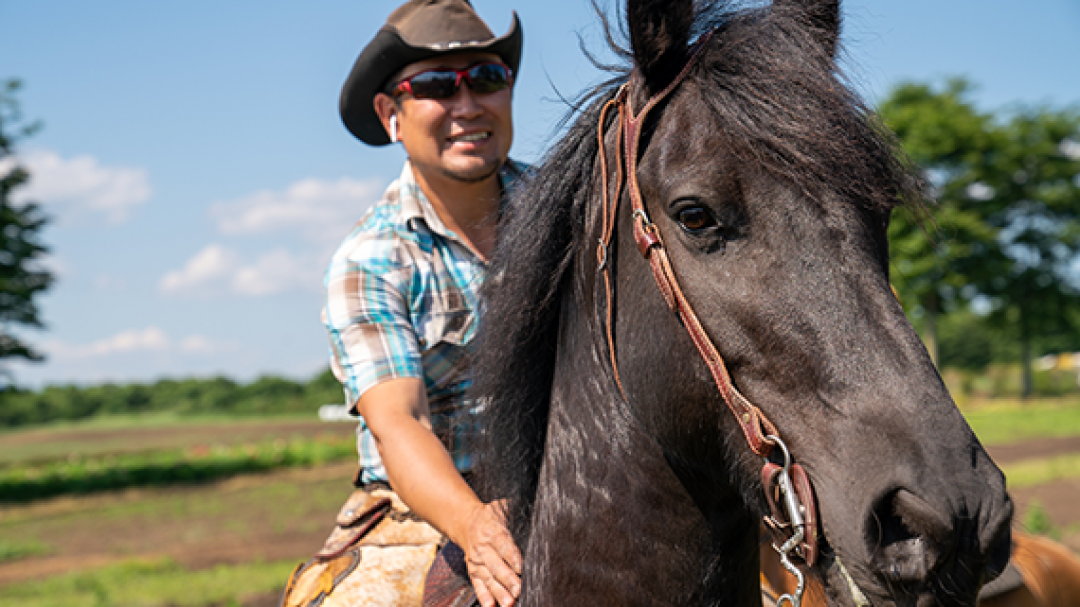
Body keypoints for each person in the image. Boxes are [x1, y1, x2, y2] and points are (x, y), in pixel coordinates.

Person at [285, 2, 526, 607]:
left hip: (573, 480)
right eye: (437, 86)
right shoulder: (370, 261)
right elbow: (402, 424)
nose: (467, 105)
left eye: (487, 79)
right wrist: (475, 527)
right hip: (423, 508)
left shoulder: (580, 211)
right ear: (391, 115)